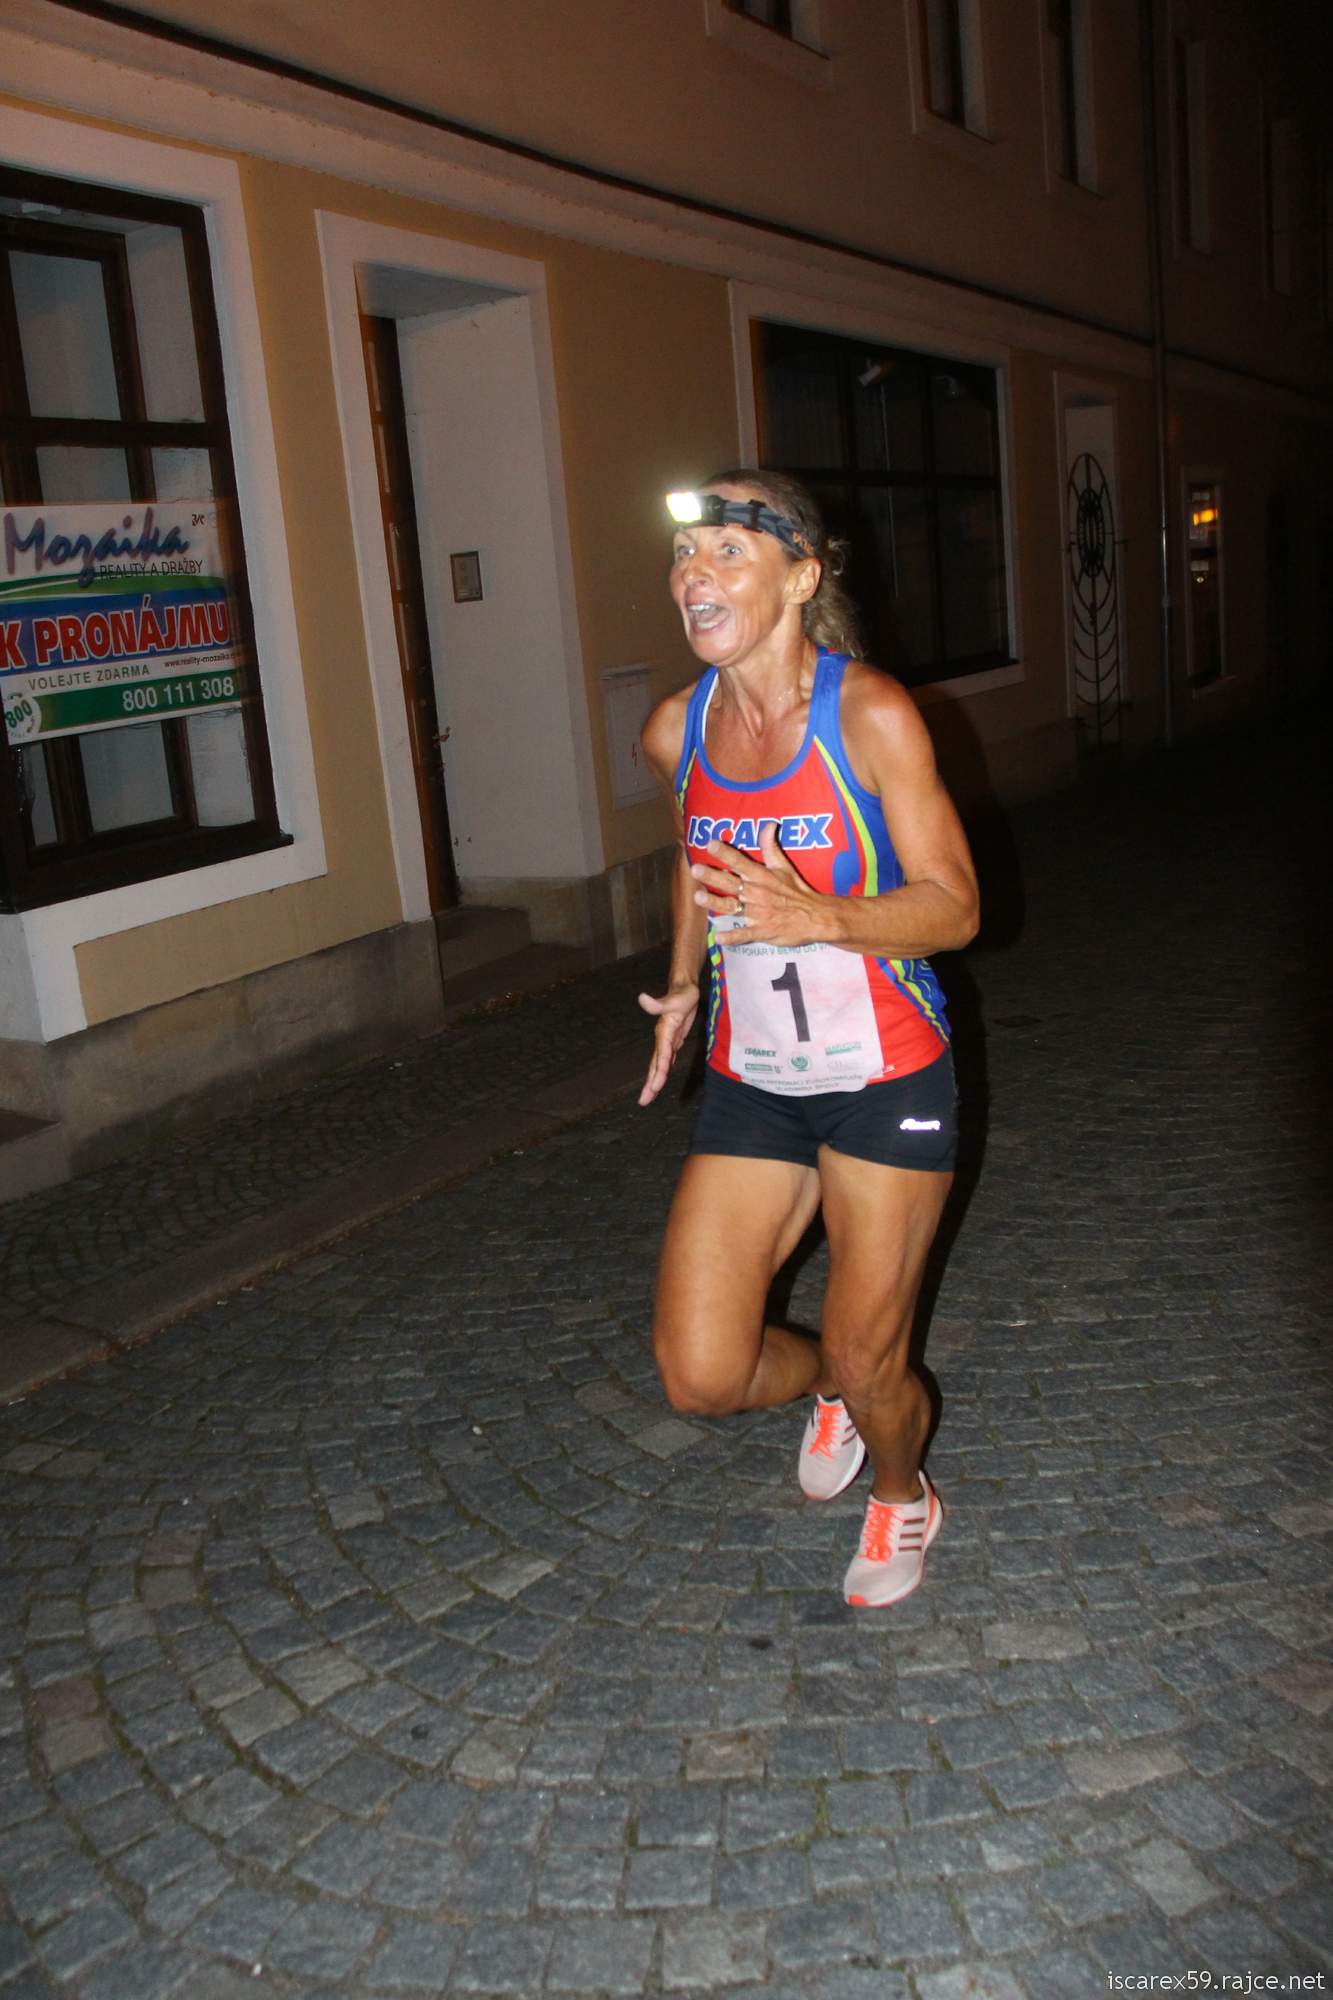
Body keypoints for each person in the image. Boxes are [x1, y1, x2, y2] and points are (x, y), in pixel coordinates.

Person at [637, 470, 979, 1607]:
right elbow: (694, 855)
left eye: (728, 550)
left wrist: (818, 916)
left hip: (885, 1074)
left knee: (871, 1357)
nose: (695, 573)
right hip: (755, 1080)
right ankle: (829, 1385)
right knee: (699, 1371)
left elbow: (957, 907)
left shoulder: (868, 713)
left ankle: (901, 1491)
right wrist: (683, 982)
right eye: (685, 553)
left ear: (799, 578)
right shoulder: (677, 727)